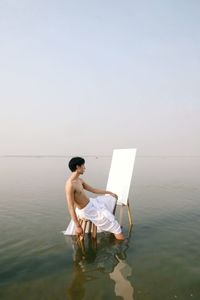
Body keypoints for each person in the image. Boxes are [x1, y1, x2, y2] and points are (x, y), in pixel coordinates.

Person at [64, 157, 125, 240]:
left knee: (111, 199)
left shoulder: (79, 180)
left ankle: (110, 223)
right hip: (86, 210)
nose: (85, 168)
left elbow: (93, 190)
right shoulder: (70, 185)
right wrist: (78, 226)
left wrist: (109, 193)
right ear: (78, 167)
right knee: (114, 224)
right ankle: (120, 245)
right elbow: (70, 207)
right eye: (83, 166)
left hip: (91, 203)